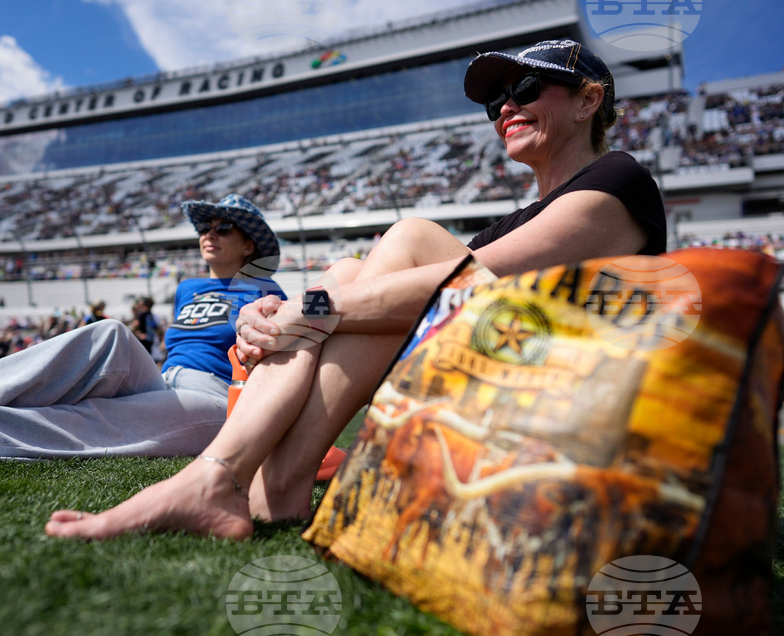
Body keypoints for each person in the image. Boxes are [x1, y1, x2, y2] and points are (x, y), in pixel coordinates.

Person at [41, 39, 667, 541]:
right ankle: (251, 483)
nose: (505, 107)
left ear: (589, 100)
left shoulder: (617, 180)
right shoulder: (513, 220)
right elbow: (447, 294)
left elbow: (472, 285)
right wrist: (299, 305)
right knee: (345, 268)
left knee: (409, 239)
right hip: (503, 372)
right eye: (494, 102)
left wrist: (301, 312)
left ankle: (246, 481)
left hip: (571, 401)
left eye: (526, 88)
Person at [0, 195, 286, 463]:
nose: (210, 233)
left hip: (219, 398)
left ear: (248, 244)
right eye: (205, 227)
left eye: (223, 228)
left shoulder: (267, 291)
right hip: (166, 378)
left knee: (95, 420)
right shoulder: (188, 286)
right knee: (109, 331)